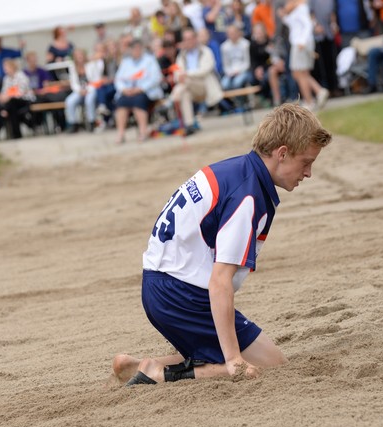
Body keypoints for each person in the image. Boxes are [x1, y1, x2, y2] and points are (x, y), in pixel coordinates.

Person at [111, 103, 332, 387]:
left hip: (163, 287)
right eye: (306, 162)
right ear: (282, 153)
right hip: (181, 295)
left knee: (239, 354)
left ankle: (135, 366)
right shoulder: (247, 195)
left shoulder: (237, 170)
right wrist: (233, 360)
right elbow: (220, 282)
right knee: (269, 364)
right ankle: (159, 373)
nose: (309, 172)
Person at [171, 28, 224, 134]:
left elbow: (205, 70)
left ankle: (173, 97)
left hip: (205, 87)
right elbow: (177, 73)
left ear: (195, 39)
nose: (188, 41)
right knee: (185, 93)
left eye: (190, 38)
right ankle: (190, 125)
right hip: (188, 88)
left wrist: (186, 74)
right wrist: (180, 76)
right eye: (185, 39)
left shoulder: (205, 51)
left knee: (184, 84)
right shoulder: (181, 55)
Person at [281, 0, 331, 109]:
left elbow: (308, 25)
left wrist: (302, 41)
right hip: (299, 43)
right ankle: (319, 92)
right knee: (301, 73)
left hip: (300, 44)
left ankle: (309, 101)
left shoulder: (301, 8)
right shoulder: (297, 10)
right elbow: (293, 23)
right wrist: (284, 15)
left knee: (299, 73)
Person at [113, 39, 164, 143]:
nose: (136, 50)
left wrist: (140, 88)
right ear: (130, 50)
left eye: (138, 48)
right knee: (121, 103)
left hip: (145, 92)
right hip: (128, 92)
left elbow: (156, 78)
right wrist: (124, 89)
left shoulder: (150, 60)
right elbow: (118, 79)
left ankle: (142, 132)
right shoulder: (126, 62)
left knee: (138, 102)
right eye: (134, 48)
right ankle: (121, 134)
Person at [64, 49, 102, 133]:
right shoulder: (72, 67)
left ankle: (91, 122)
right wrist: (80, 90)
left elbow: (97, 79)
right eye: (77, 55)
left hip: (91, 89)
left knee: (89, 100)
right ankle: (73, 123)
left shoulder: (91, 65)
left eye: (80, 55)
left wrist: (88, 89)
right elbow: (73, 83)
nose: (79, 57)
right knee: (69, 101)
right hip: (80, 90)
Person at [0, 59, 35, 139]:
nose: (5, 70)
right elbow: (4, 91)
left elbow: (21, 92)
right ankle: (16, 133)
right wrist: (2, 96)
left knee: (11, 103)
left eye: (6, 67)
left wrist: (8, 96)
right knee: (11, 107)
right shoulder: (6, 78)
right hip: (12, 102)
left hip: (25, 99)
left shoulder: (21, 76)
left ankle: (4, 111)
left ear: (12, 67)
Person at [310, 0, 340, 95]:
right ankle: (325, 89)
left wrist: (334, 24)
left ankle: (334, 87)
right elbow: (311, 13)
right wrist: (315, 26)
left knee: (332, 62)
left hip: (329, 34)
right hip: (318, 36)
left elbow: (332, 13)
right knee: (321, 65)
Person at [220, 25, 253, 91]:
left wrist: (239, 71)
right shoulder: (224, 47)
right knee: (224, 84)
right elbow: (226, 64)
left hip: (243, 71)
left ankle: (241, 97)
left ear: (238, 33)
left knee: (237, 83)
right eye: (230, 33)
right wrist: (230, 72)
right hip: (230, 72)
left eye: (234, 33)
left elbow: (247, 63)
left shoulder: (245, 44)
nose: (233, 35)